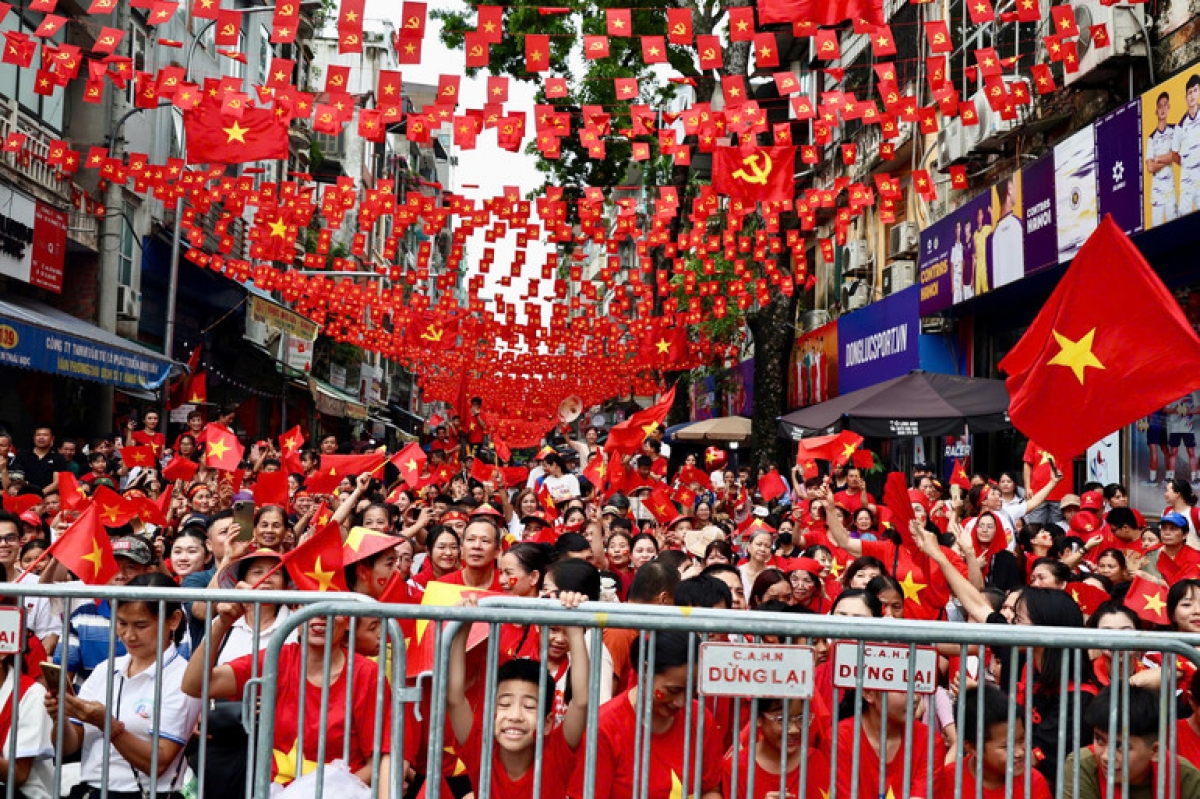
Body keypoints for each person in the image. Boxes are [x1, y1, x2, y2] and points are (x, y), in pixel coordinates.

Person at [182, 587, 392, 793]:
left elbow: (376, 765)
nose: (319, 616)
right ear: (294, 611)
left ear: (347, 620)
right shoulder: (276, 659)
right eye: (309, 605)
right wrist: (222, 624)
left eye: (332, 607)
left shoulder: (367, 674)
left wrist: (321, 791)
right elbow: (194, 685)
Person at [45, 573, 203, 799]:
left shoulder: (183, 678)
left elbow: (157, 764)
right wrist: (59, 715)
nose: (129, 635)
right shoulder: (106, 669)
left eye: (141, 625)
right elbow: (68, 746)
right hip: (91, 790)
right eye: (121, 623)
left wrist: (106, 724)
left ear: (174, 620)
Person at [444, 590, 589, 799]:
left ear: (548, 723)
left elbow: (581, 702)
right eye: (504, 704)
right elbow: (454, 697)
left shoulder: (555, 753)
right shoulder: (481, 750)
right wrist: (463, 627)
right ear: (491, 712)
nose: (515, 715)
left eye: (529, 706)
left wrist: (575, 629)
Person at [573, 629, 723, 799]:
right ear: (646, 670)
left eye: (692, 691)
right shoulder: (604, 728)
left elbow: (710, 790)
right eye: (673, 690)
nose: (681, 702)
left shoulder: (701, 719)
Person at [1063, 683, 1200, 798]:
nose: (1105, 756)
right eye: (1099, 740)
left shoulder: (1184, 776)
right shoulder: (1081, 766)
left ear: (1156, 751)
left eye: (1121, 747)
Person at [935, 685, 1050, 799]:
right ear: (973, 748)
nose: (1020, 752)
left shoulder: (1034, 783)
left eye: (1022, 739)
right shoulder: (947, 782)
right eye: (1006, 746)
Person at [1148, 91, 1178, 226]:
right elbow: (1150, 167)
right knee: (1155, 235)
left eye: (1165, 105)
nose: (1163, 109)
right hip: (1156, 195)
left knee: (1176, 230)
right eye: (1160, 106)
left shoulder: (1174, 129)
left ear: (1169, 107)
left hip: (1170, 192)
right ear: (1156, 110)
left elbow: (1175, 155)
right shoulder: (1151, 138)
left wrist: (1158, 158)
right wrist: (1167, 158)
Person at [1171, 74, 1200, 216]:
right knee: (1183, 216)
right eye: (1189, 92)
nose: (1192, 95)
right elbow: (1174, 153)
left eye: (1195, 90)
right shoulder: (1180, 125)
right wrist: (1187, 164)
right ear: (1185, 97)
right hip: (1187, 180)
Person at [990, 175, 1024, 288]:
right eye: (1015, 185)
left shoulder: (994, 236)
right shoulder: (1019, 225)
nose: (1016, 190)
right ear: (1009, 188)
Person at [11, 428, 67, 494]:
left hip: (48, 498)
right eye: (38, 435)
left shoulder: (58, 458)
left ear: (52, 438)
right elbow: (15, 477)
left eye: (45, 435)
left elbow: (57, 482)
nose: (41, 437)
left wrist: (40, 493)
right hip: (24, 495)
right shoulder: (22, 455)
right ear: (34, 438)